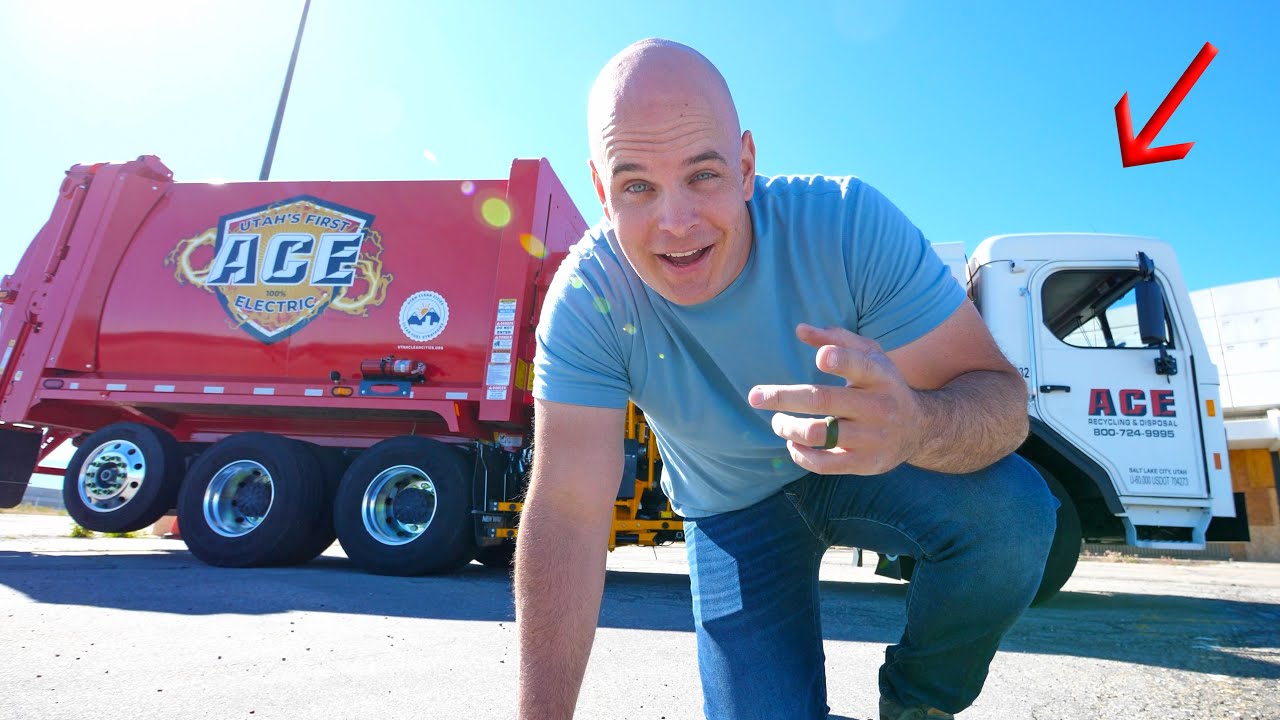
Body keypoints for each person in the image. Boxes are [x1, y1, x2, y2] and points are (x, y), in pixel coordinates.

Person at [515, 38, 1057, 720]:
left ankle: (919, 706)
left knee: (1015, 514)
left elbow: (1002, 404)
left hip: (866, 465)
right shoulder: (588, 299)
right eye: (637, 186)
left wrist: (916, 424)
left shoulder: (847, 227)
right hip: (730, 511)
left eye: (703, 175)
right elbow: (567, 510)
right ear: (601, 190)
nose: (676, 223)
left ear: (746, 166)